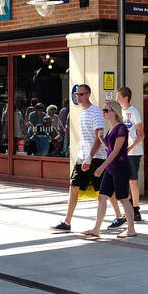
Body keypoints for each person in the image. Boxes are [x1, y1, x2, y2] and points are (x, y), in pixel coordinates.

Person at [52, 84, 121, 233]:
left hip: (96, 158)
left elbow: (99, 138)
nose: (78, 97)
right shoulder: (81, 113)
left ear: (88, 94)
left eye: (81, 94)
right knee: (73, 187)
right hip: (82, 157)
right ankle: (67, 222)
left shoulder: (95, 112)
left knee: (105, 190)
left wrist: (90, 157)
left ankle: (119, 216)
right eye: (77, 94)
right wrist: (83, 156)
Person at [83, 100, 136, 240]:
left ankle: (131, 229)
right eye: (103, 110)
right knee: (102, 197)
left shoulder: (121, 129)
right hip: (112, 167)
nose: (103, 113)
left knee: (123, 198)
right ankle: (96, 229)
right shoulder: (111, 129)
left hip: (120, 167)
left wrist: (102, 166)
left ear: (114, 112)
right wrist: (101, 138)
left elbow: (116, 152)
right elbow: (109, 148)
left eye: (106, 110)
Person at [117, 86, 145, 223]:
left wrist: (131, 146)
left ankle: (135, 209)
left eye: (119, 97)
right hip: (123, 151)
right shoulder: (120, 111)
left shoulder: (134, 112)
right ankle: (128, 209)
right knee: (124, 180)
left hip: (133, 152)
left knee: (133, 180)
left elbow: (141, 133)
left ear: (125, 98)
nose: (116, 99)